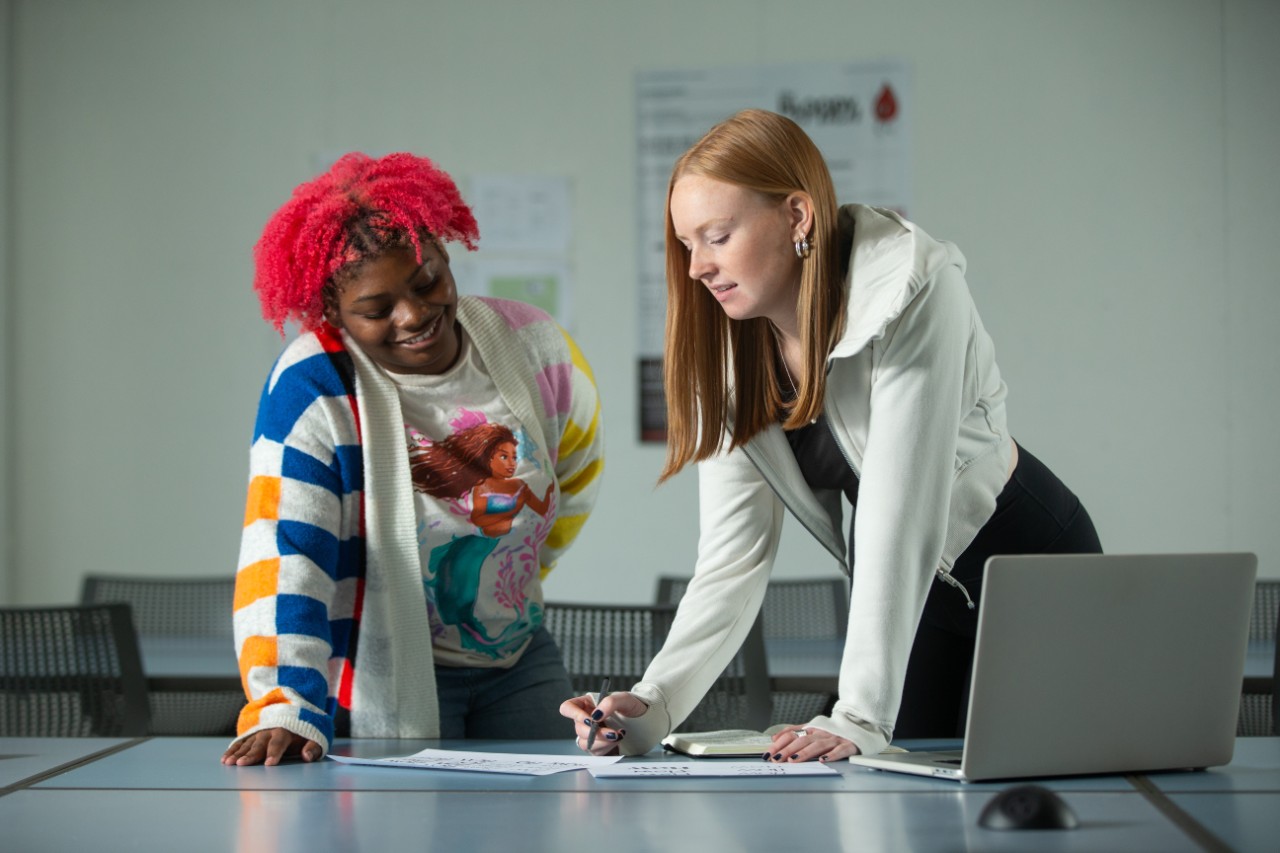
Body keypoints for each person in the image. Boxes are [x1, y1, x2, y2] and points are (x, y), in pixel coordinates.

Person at [561, 109, 1100, 763]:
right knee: (901, 796)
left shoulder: (914, 286)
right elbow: (733, 557)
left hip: (1032, 570)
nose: (697, 266)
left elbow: (901, 507)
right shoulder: (732, 356)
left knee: (1044, 788)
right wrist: (652, 705)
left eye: (718, 236)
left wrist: (860, 714)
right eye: (685, 244)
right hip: (918, 596)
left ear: (797, 215)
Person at [222, 152, 604, 766]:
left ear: (445, 255)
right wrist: (283, 703)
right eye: (377, 310)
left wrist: (508, 577)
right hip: (387, 665)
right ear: (334, 313)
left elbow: (577, 479)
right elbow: (287, 551)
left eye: (427, 282)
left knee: (553, 803)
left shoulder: (535, 345)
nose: (414, 315)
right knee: (402, 814)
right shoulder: (314, 383)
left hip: (518, 653)